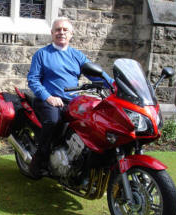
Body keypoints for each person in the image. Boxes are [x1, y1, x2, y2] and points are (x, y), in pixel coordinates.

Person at [27, 17, 113, 178]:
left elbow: (95, 74)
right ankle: (39, 162)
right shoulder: (42, 54)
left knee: (91, 121)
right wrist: (48, 97)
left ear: (71, 34)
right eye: (58, 29)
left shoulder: (77, 55)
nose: (61, 32)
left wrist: (115, 84)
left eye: (65, 30)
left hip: (72, 100)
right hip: (49, 100)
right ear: (52, 33)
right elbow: (33, 79)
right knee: (53, 121)